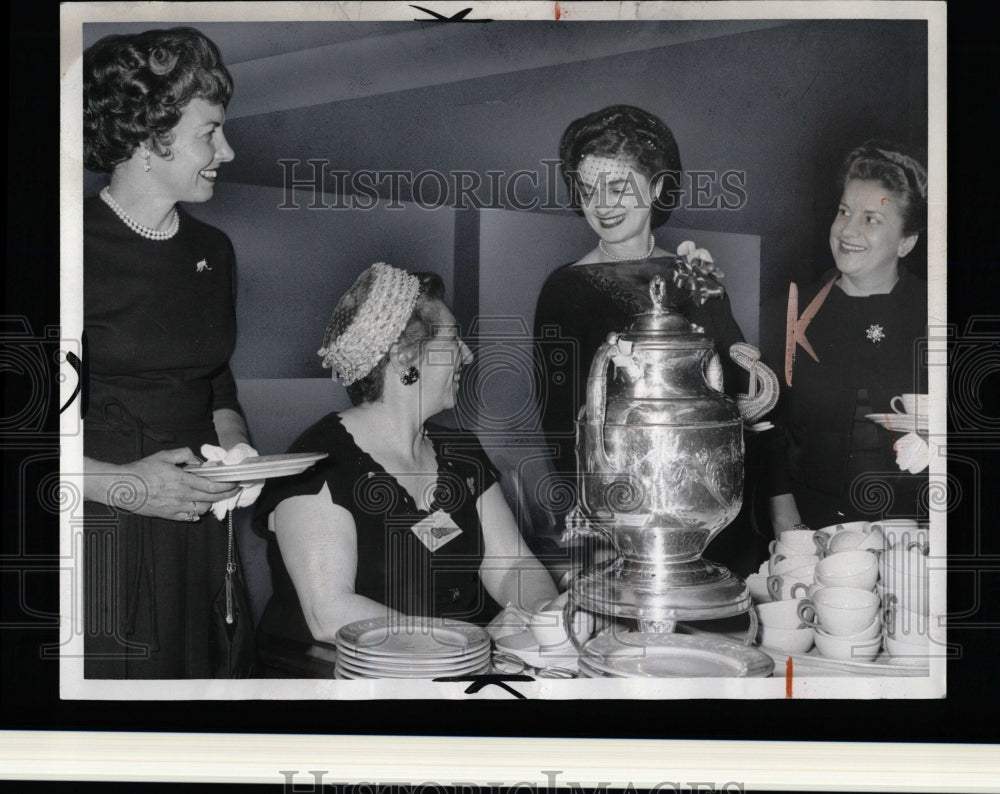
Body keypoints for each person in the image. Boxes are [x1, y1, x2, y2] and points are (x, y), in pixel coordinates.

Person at [253, 263, 562, 674]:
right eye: (453, 338)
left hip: (456, 672)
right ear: (404, 359)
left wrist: (545, 614)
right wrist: (471, 642)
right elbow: (330, 612)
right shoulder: (317, 464)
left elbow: (512, 565)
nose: (467, 355)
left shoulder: (460, 454)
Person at [82, 28, 258, 678]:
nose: (228, 151)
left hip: (197, 523)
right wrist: (131, 487)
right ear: (146, 136)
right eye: (209, 133)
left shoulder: (213, 250)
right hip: (103, 525)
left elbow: (216, 386)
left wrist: (235, 451)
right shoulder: (67, 252)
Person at [533, 105, 762, 573]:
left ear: (657, 188)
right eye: (588, 188)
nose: (603, 203)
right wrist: (596, 518)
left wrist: (705, 297)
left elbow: (735, 394)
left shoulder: (693, 274)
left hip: (704, 505)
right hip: (619, 514)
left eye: (619, 186)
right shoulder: (564, 289)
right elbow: (560, 422)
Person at [767, 141, 929, 533]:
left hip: (917, 533)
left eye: (872, 219)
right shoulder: (793, 309)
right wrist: (787, 526)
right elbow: (766, 428)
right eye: (844, 212)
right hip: (809, 530)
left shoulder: (936, 312)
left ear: (907, 241)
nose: (848, 230)